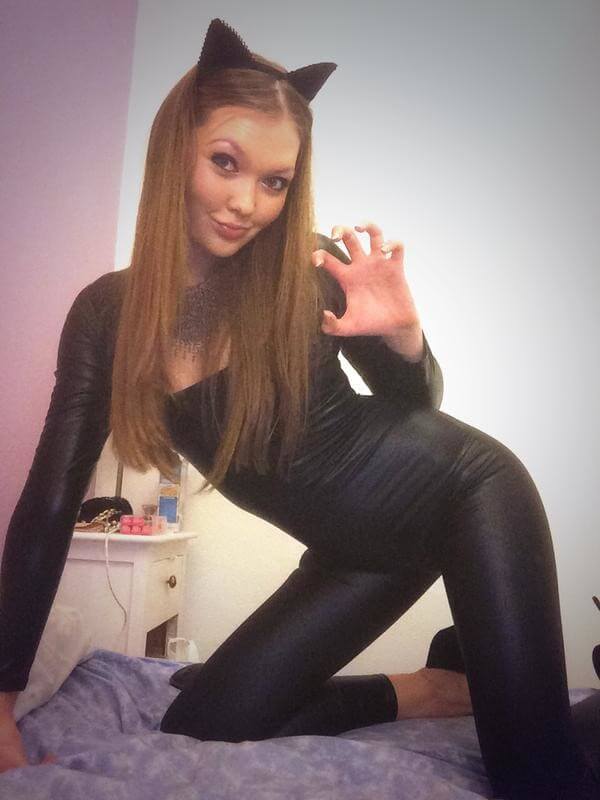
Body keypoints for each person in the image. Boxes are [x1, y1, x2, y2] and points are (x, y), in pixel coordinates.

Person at [0, 17, 598, 798]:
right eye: (226, 162)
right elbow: (50, 503)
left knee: (539, 776)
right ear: (177, 147)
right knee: (199, 724)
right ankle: (435, 687)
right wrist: (2, 698)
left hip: (465, 493)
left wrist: (406, 340)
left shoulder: (309, 267)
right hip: (351, 558)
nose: (245, 203)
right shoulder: (107, 315)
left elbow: (416, 406)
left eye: (275, 182)